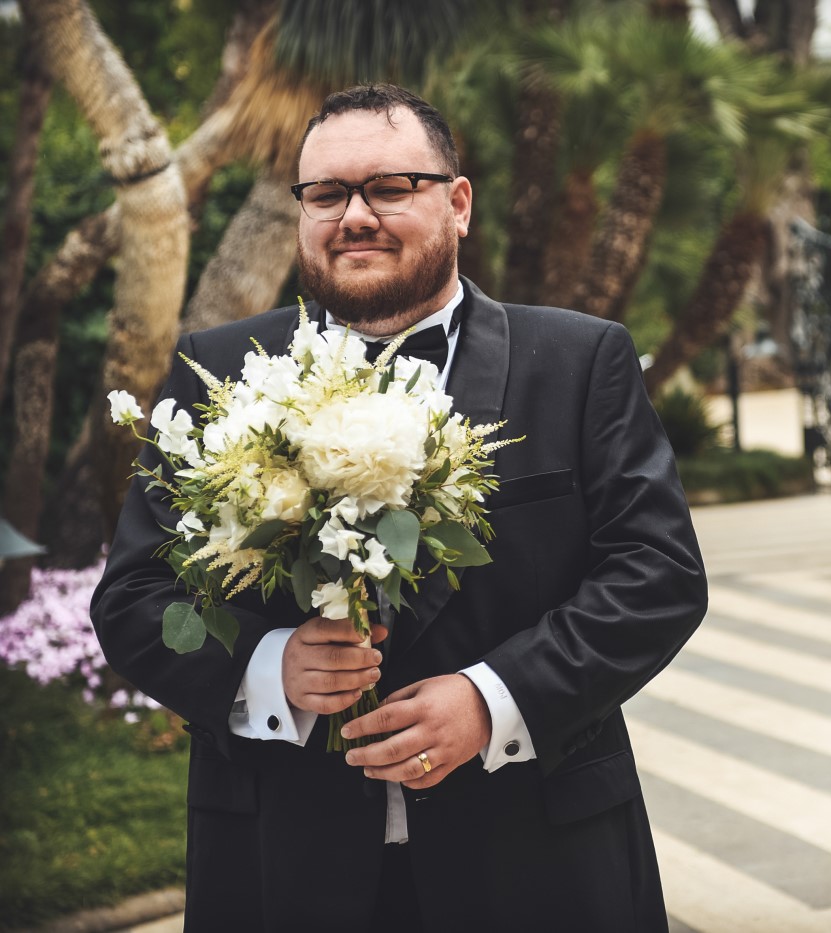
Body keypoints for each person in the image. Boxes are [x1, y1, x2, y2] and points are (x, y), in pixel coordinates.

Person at [91, 84, 707, 932]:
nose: (354, 216)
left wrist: (495, 698)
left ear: (457, 204)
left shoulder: (578, 361)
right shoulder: (216, 371)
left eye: (388, 187)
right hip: (284, 866)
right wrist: (268, 670)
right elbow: (132, 599)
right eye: (326, 193)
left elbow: (659, 576)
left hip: (536, 858)